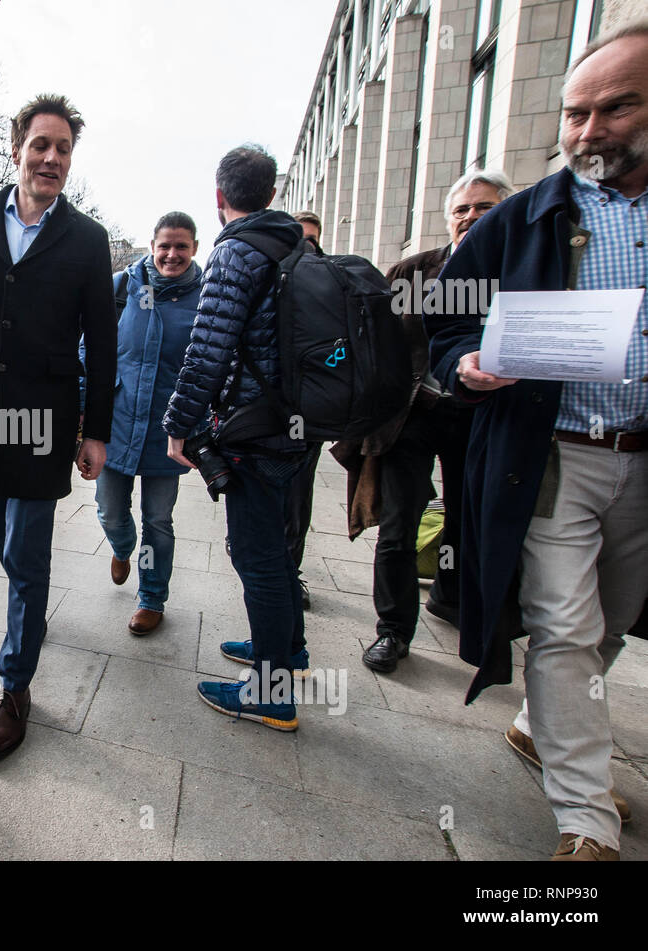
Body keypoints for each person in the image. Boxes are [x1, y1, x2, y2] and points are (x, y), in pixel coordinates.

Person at [425, 21, 648, 860]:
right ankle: (588, 817)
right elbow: (442, 326)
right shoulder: (522, 222)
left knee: (614, 615)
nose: (589, 130)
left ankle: (538, 722)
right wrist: (469, 365)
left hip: (642, 455)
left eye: (616, 107)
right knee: (563, 622)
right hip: (552, 452)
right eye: (575, 112)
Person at [0, 94, 115, 761]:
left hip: (45, 420)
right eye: (41, 144)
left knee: (28, 556)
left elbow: (104, 338)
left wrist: (96, 431)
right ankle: (29, 611)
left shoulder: (89, 242)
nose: (51, 158)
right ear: (16, 150)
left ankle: (14, 687)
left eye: (63, 148)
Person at [335, 168, 514, 675]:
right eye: (463, 209)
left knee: (470, 522)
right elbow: (376, 343)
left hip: (482, 421)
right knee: (398, 528)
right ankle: (392, 631)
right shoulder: (414, 273)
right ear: (448, 219)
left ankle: (456, 602)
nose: (473, 217)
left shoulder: (523, 273)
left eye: (486, 207)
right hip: (412, 417)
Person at [164, 144, 310, 732]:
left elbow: (207, 352)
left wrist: (178, 426)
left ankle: (271, 692)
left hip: (256, 431)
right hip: (297, 425)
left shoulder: (237, 253)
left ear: (220, 198)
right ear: (271, 195)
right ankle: (286, 651)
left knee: (256, 558)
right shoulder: (295, 244)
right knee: (274, 549)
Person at [91, 212, 203, 635]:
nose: (172, 254)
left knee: (158, 520)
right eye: (165, 245)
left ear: (194, 248)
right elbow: (92, 346)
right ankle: (122, 548)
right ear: (152, 245)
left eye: (181, 246)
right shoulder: (122, 287)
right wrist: (86, 409)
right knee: (110, 511)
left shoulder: (205, 297)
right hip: (117, 424)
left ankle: (151, 597)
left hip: (167, 431)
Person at [281, 210, 326, 609]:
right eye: (296, 237)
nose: (303, 246)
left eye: (310, 239)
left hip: (307, 416)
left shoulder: (330, 280)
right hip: (260, 416)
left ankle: (288, 576)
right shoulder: (266, 275)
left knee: (297, 501)